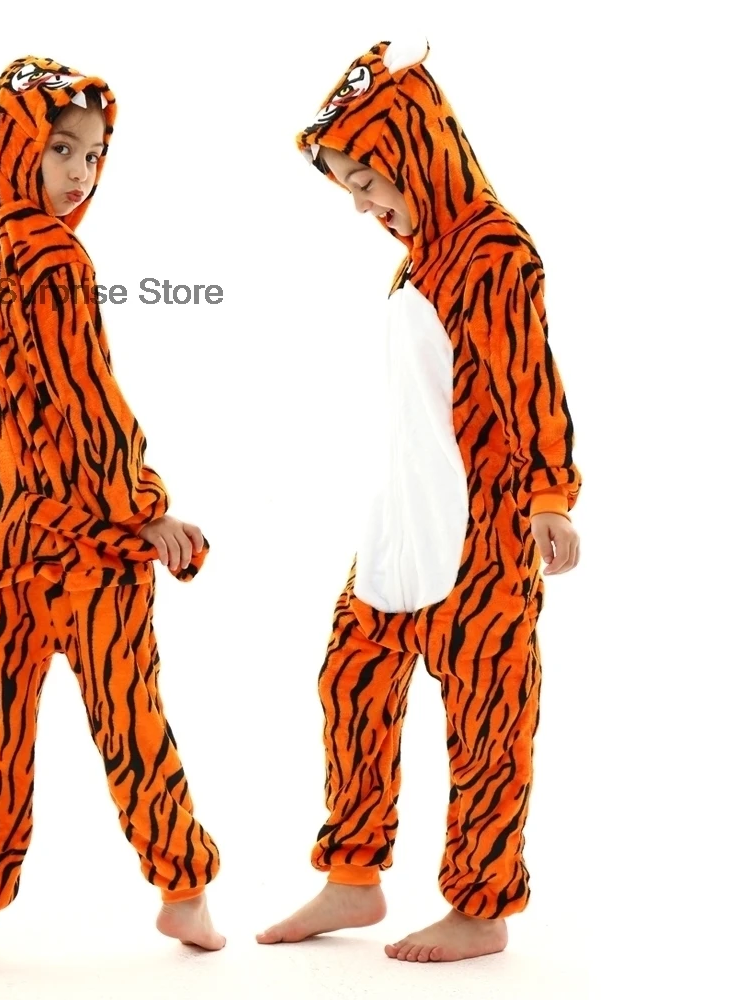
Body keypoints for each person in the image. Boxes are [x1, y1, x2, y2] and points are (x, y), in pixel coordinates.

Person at [256, 38, 583, 963]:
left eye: (369, 181)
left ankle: (481, 906)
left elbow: (530, 377)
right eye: (350, 190)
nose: (364, 206)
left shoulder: (492, 249)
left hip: (484, 525)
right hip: (403, 517)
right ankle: (352, 877)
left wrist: (550, 493)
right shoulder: (422, 256)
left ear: (418, 149)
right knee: (352, 677)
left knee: (487, 716)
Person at [0, 55, 224, 968]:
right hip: (82, 543)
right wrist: (145, 510)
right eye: (61, 149)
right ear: (13, 143)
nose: (80, 173)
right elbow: (86, 400)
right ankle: (185, 895)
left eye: (93, 155)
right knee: (131, 719)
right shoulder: (49, 252)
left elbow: (0, 405)